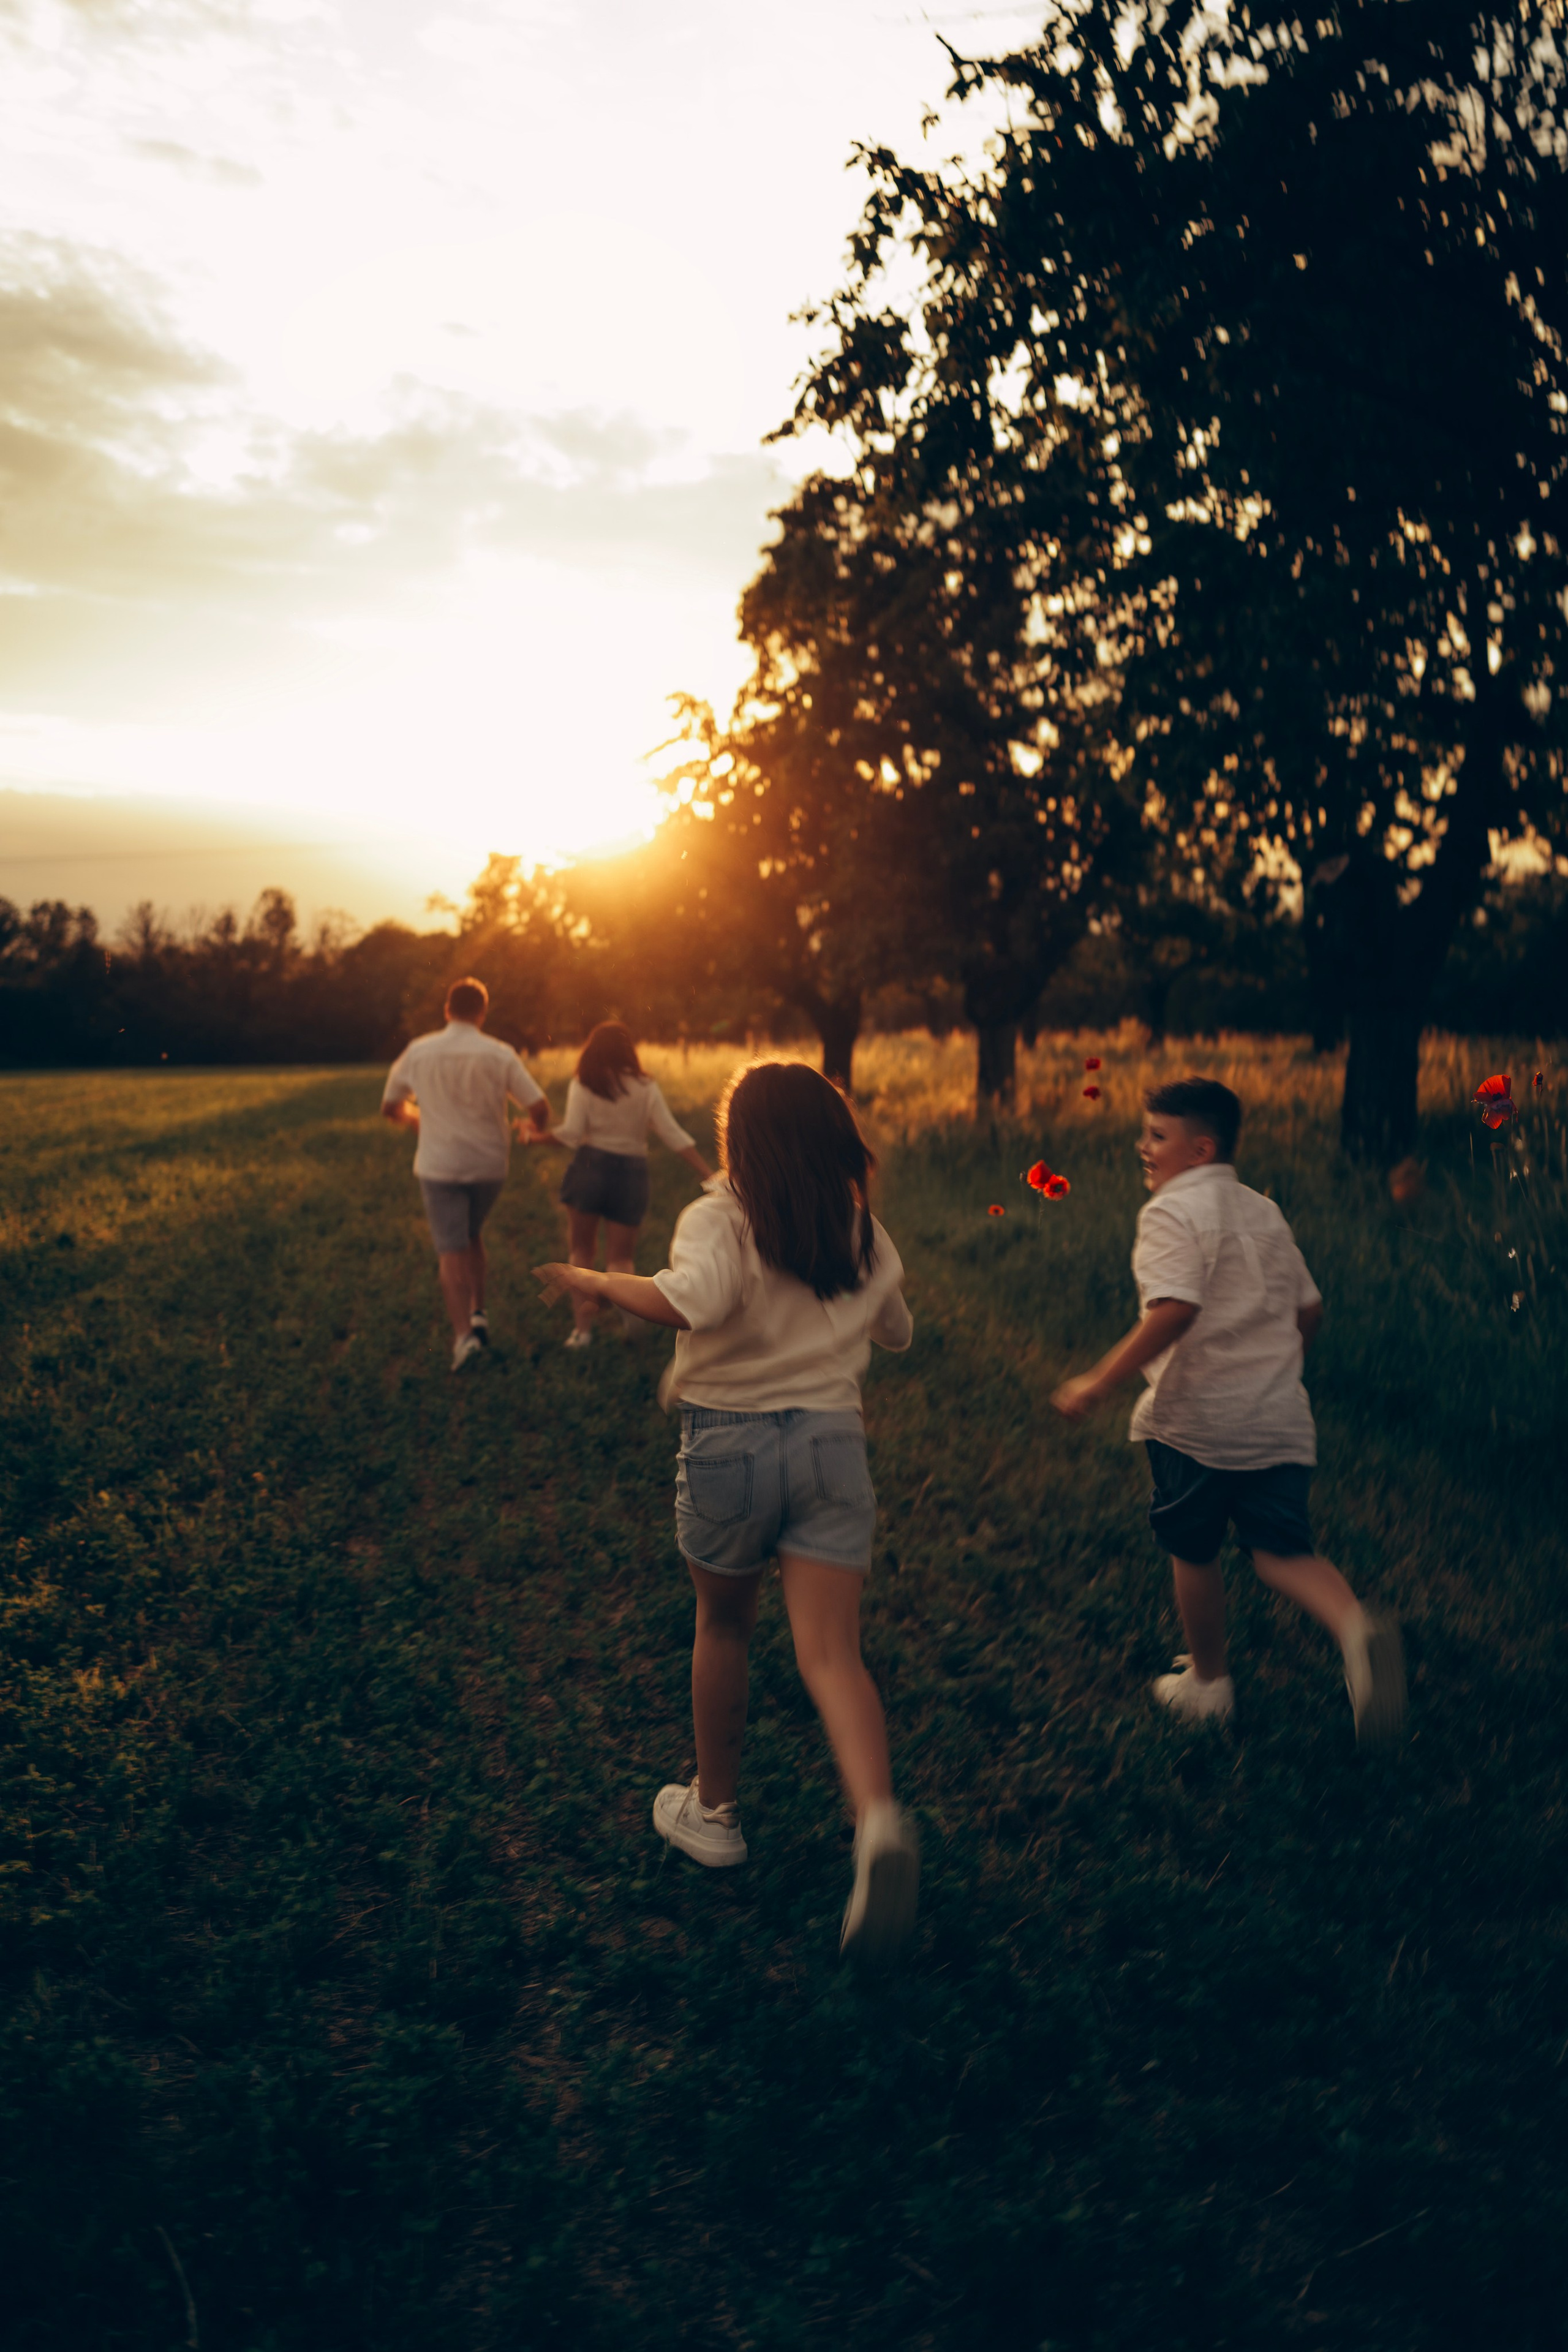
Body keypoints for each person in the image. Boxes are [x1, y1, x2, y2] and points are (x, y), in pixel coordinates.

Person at [533, 1060, 921, 1962]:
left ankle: (713, 1814)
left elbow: (685, 1301)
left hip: (732, 1447)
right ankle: (877, 1825)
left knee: (726, 1625)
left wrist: (595, 1280)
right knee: (832, 1654)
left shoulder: (719, 1215)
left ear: (738, 1142)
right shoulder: (858, 1223)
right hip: (833, 1444)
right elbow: (895, 1330)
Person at [1050, 1075, 1406, 1745]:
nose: (1143, 1147)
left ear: (1199, 1148)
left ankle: (1208, 1685)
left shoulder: (1168, 1213)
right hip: (1277, 1416)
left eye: (1157, 1135)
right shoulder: (1262, 1211)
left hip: (1198, 1422)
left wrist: (1098, 1380)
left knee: (1194, 1546)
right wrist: (1274, 1368)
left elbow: (1175, 1309)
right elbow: (1310, 1310)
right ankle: (1356, 1629)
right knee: (1280, 1551)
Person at [381, 976, 548, 1371]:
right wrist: (531, 1127)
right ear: (482, 1013)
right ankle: (478, 1313)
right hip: (489, 1166)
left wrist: (416, 1119)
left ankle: (463, 1340)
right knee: (471, 1233)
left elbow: (390, 1105)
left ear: (446, 1011)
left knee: (451, 1248)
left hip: (440, 1166)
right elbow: (539, 1106)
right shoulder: (500, 1053)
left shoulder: (419, 1051)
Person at [526, 1020, 711, 1349]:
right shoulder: (644, 1086)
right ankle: (632, 1318)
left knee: (582, 1251)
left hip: (589, 1169)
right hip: (631, 1173)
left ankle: (582, 1332)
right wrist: (706, 1172)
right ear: (629, 1051)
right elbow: (671, 1133)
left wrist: (535, 1138)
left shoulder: (584, 1083)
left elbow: (570, 1134)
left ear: (592, 1050)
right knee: (621, 1257)